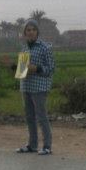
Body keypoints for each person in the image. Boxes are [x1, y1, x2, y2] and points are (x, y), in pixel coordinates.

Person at [14, 19, 55, 155]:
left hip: (39, 88)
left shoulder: (45, 48)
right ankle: (32, 145)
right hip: (26, 86)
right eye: (28, 30)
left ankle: (47, 146)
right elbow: (22, 70)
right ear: (25, 33)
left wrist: (36, 68)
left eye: (33, 30)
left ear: (37, 32)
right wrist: (16, 68)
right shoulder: (24, 47)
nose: (31, 32)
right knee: (29, 117)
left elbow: (50, 69)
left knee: (41, 116)